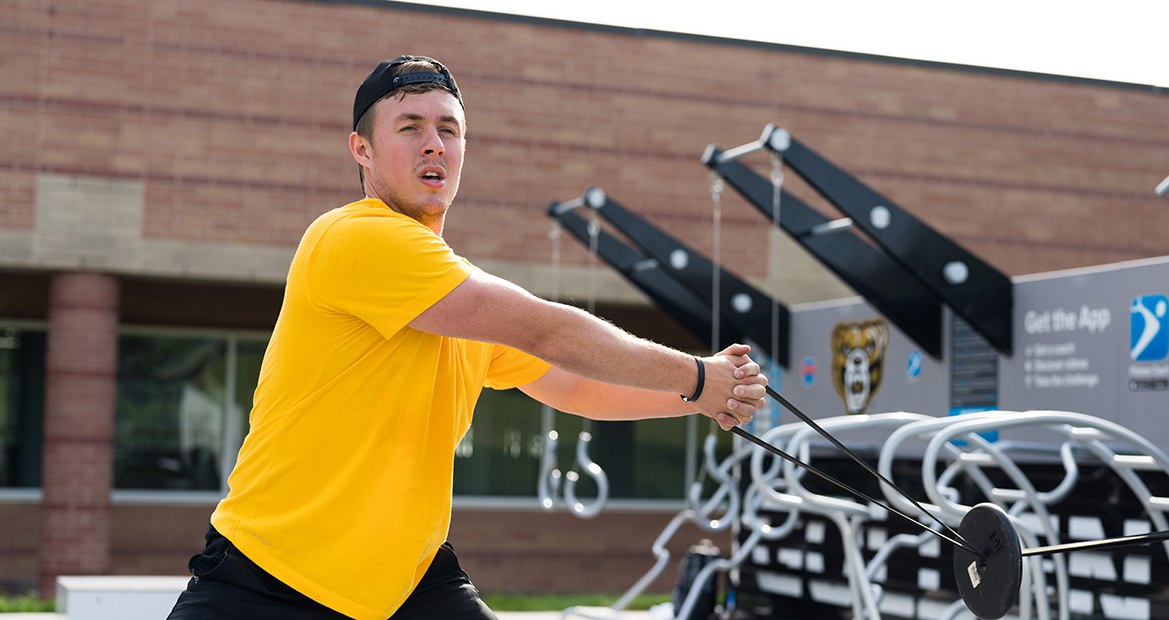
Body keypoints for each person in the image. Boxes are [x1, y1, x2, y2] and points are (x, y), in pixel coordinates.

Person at [166, 54, 769, 620]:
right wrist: (695, 376)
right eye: (409, 127)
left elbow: (575, 385)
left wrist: (701, 397)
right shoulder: (352, 238)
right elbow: (547, 329)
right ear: (362, 150)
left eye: (448, 130)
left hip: (405, 583)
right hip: (270, 577)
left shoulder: (452, 300)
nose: (434, 143)